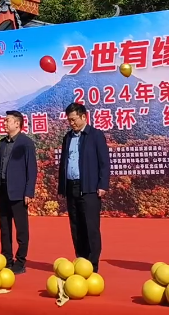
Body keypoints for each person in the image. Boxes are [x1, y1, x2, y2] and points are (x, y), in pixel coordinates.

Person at [59, 103, 110, 272]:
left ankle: (92, 264)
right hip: (71, 186)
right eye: (69, 120)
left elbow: (104, 162)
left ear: (83, 117)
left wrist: (103, 184)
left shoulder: (95, 135)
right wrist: (62, 186)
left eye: (74, 119)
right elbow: (64, 162)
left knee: (90, 226)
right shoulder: (68, 137)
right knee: (76, 225)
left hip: (89, 188)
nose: (71, 123)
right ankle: (80, 261)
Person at [0, 110, 37, 275]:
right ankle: (7, 259)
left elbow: (31, 169)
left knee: (21, 229)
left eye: (7, 121)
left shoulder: (26, 143)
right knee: (4, 228)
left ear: (17, 124)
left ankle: (20, 261)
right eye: (5, 121)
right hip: (3, 190)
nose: (4, 123)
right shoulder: (2, 143)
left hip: (19, 192)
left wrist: (29, 192)